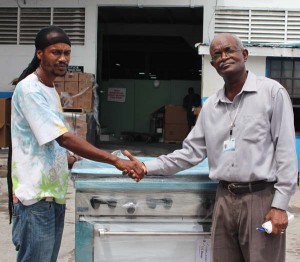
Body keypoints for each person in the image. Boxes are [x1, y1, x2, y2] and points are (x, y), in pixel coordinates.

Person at [125, 33, 298, 262]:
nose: (223, 57)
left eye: (229, 51)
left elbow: (285, 151)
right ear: (212, 64)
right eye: (216, 54)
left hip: (261, 198)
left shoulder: (271, 94)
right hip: (224, 199)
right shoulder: (211, 107)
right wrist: (147, 167)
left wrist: (280, 205)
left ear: (244, 54)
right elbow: (189, 153)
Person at [9, 25, 143, 262]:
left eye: (67, 53)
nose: (63, 58)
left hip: (53, 197)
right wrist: (114, 161)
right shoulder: (30, 89)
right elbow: (63, 137)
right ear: (39, 54)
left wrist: (69, 158)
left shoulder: (49, 88)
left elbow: (49, 142)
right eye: (55, 52)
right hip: (35, 199)